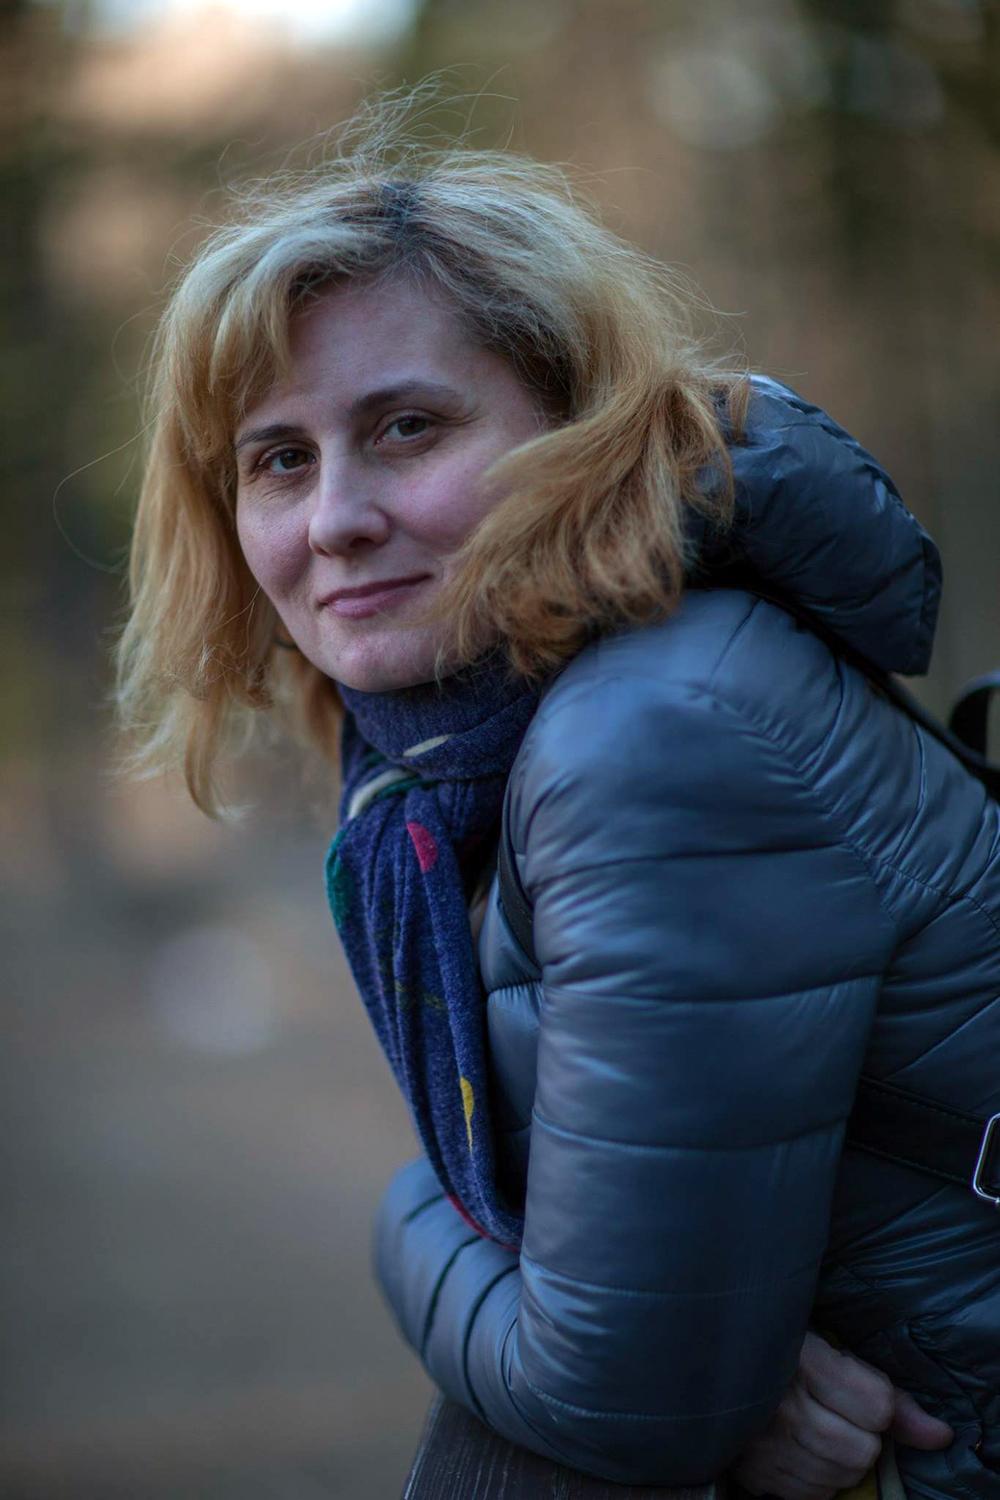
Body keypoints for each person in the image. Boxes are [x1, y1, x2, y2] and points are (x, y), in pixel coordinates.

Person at [116, 106, 999, 1500]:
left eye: (407, 427)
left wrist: (407, 1219)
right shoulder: (456, 752)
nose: (335, 517)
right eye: (279, 458)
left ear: (578, 424)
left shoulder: (652, 731)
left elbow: (622, 1393)